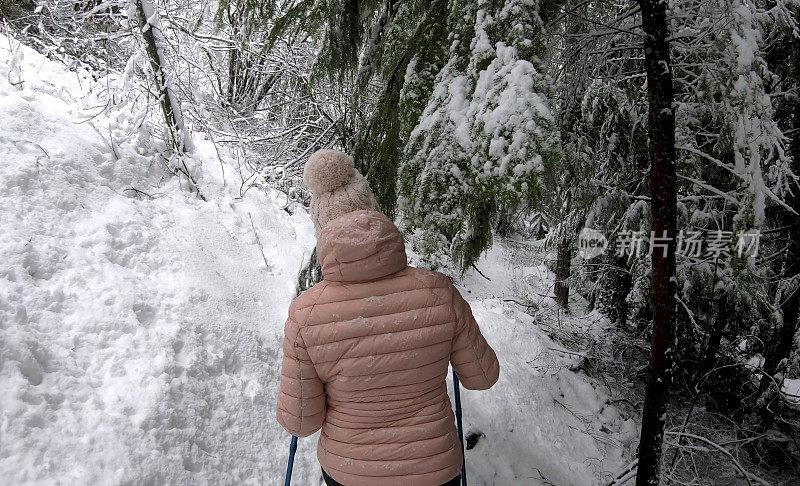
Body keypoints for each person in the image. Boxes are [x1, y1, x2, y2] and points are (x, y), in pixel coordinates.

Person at [276, 149, 500, 486]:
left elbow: (301, 422)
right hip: (434, 468)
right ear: (375, 213)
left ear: (321, 231)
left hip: (349, 472)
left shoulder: (306, 314)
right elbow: (483, 377)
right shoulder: (439, 292)